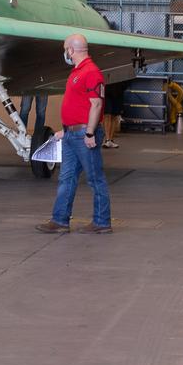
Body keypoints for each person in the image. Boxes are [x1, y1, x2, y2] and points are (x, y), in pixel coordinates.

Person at [36, 33, 112, 235]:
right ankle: (60, 220)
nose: (65, 53)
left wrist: (88, 133)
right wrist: (66, 130)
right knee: (66, 178)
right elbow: (79, 105)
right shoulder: (78, 72)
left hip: (83, 135)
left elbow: (96, 105)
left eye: (65, 49)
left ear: (70, 50)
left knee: (95, 178)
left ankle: (102, 222)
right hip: (72, 134)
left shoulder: (91, 72)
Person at [102, 80, 128, 148]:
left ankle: (111, 140)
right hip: (107, 92)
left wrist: (122, 87)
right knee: (107, 114)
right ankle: (107, 140)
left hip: (118, 93)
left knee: (114, 115)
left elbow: (127, 80)